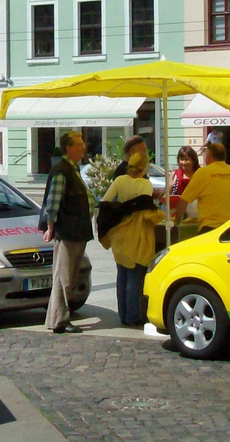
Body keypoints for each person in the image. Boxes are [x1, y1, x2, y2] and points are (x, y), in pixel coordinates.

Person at [99, 147, 164, 326]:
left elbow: (105, 202)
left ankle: (123, 315)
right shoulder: (144, 184)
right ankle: (133, 316)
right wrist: (162, 215)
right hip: (138, 235)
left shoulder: (120, 180)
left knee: (122, 275)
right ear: (144, 167)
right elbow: (147, 214)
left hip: (119, 235)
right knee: (135, 277)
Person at [40, 130, 91, 335]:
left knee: (66, 277)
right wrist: (50, 228)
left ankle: (56, 318)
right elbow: (53, 203)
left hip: (76, 230)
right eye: (79, 145)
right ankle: (59, 320)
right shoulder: (62, 170)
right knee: (64, 279)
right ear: (68, 148)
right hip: (68, 231)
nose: (83, 148)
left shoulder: (72, 169)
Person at [170, 141, 230, 233]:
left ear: (209, 156)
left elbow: (184, 201)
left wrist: (176, 223)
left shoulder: (203, 173)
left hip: (211, 227)